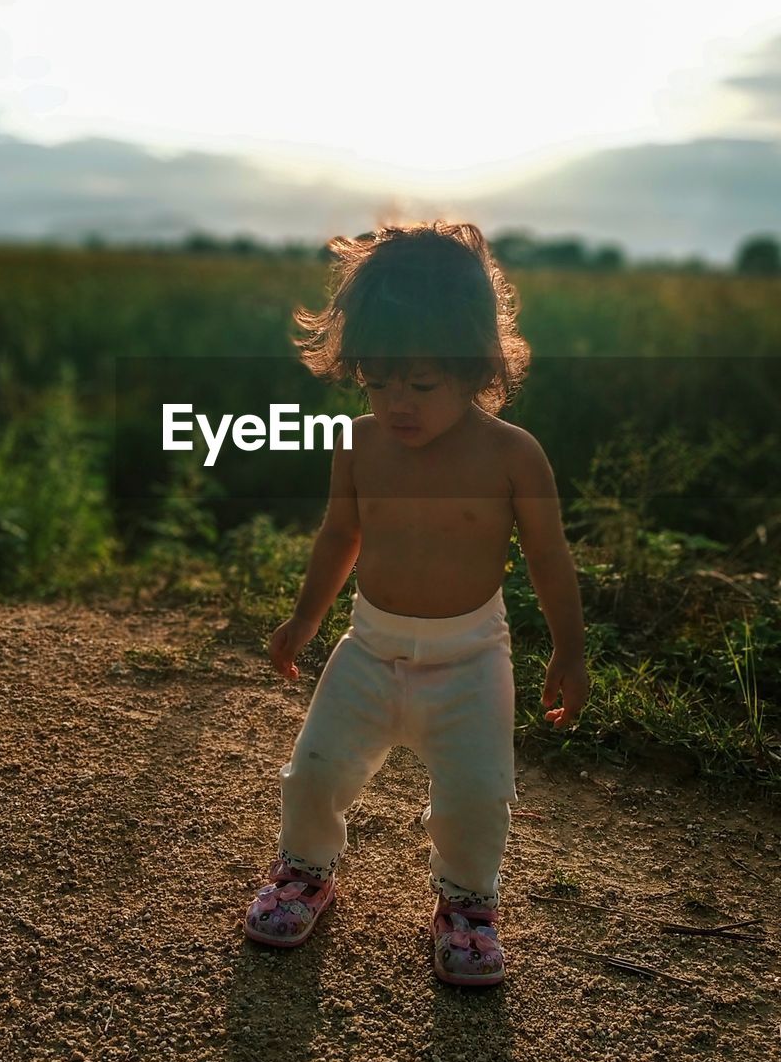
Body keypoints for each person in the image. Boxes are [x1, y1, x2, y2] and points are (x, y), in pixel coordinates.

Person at [243, 220, 590, 986]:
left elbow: (548, 556)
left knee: (476, 797)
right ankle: (305, 871)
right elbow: (340, 536)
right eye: (377, 380)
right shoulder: (359, 443)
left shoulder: (511, 454)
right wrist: (305, 618)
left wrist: (570, 648)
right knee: (313, 775)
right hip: (367, 651)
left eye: (421, 384)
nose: (396, 401)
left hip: (470, 662)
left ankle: (466, 906)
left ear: (474, 368)